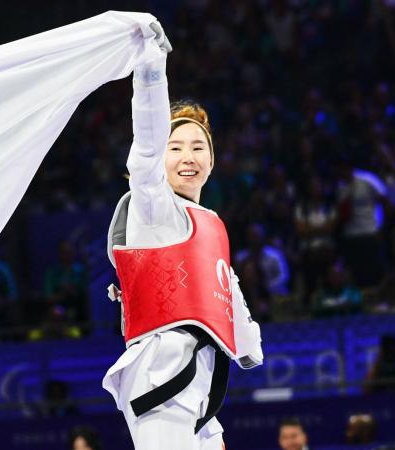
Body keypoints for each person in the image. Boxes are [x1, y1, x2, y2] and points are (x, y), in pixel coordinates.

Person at [101, 22, 263, 450]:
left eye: (198, 147)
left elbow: (228, 297)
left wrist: (247, 343)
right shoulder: (152, 204)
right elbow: (148, 147)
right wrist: (152, 68)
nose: (188, 157)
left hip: (202, 384)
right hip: (161, 376)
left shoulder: (210, 223)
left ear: (212, 159)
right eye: (176, 147)